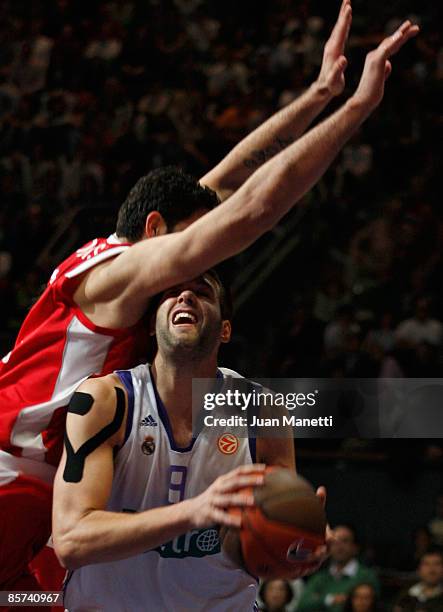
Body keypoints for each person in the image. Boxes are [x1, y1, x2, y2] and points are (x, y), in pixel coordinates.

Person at [1, 1, 419, 592]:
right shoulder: (118, 277)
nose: (203, 259)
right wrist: (356, 111)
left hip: (43, 480)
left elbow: (224, 183)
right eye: (194, 240)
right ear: (154, 229)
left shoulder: (115, 260)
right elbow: (251, 212)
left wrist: (318, 95)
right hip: (16, 481)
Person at [53, 270, 315, 610]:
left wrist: (294, 543)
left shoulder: (264, 412)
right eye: (172, 292)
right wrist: (192, 512)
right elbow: (71, 540)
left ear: (225, 330)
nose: (186, 297)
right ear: (151, 325)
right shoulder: (107, 400)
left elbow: (265, 538)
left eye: (201, 293)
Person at [297, 525, 379, 612]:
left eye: (345, 541)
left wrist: (318, 599)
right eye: (334, 542)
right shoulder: (319, 578)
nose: (339, 546)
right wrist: (330, 599)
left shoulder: (367, 576)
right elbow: (302, 606)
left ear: (355, 547)